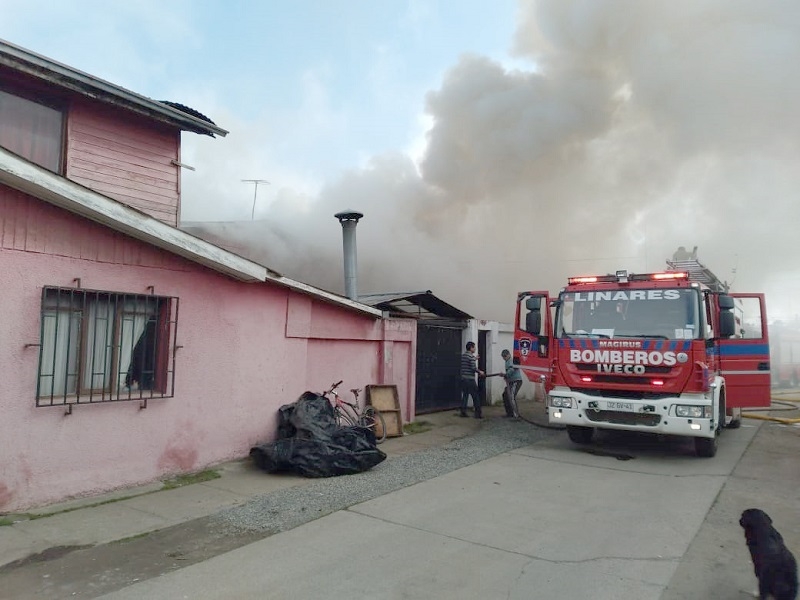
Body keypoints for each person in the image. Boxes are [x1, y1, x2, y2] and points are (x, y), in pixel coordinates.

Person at [460, 341, 484, 418]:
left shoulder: (463, 356)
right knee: (476, 396)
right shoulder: (471, 357)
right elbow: (473, 368)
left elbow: (468, 362)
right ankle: (478, 414)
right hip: (470, 379)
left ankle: (463, 412)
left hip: (463, 379)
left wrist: (475, 359)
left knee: (465, 395)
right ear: (471, 348)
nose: (475, 349)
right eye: (474, 347)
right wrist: (480, 372)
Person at [501, 349, 523, 418]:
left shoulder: (511, 361)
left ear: (508, 355)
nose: (504, 358)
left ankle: (515, 414)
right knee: (505, 395)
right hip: (511, 382)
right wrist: (506, 376)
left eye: (505, 356)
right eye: (503, 357)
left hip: (516, 381)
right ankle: (509, 413)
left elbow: (512, 370)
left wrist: (505, 375)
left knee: (511, 396)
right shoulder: (507, 361)